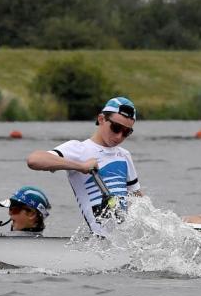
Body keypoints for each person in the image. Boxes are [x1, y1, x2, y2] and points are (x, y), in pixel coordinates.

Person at [26, 96, 143, 236]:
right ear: (101, 119)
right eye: (116, 128)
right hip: (99, 240)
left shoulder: (124, 155)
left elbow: (138, 201)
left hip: (125, 239)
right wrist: (80, 166)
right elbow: (34, 160)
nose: (119, 136)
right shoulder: (78, 149)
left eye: (126, 132)